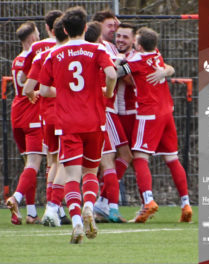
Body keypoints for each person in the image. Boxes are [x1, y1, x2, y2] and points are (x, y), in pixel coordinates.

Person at [39, 6, 117, 243]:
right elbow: (112, 74)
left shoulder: (54, 54)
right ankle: (89, 208)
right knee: (91, 171)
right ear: (85, 27)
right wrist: (107, 93)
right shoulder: (97, 49)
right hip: (94, 121)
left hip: (68, 123)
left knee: (71, 175)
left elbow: (42, 89)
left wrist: (63, 93)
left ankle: (76, 223)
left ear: (63, 29)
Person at [118, 27, 192, 223]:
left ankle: (148, 202)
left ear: (139, 45)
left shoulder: (136, 60)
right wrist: (165, 71)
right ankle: (186, 204)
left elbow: (117, 72)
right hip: (167, 111)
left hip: (148, 114)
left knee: (140, 157)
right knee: (172, 158)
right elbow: (169, 68)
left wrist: (113, 61)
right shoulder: (156, 55)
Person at [23, 16, 71, 227]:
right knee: (64, 163)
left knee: (52, 162)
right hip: (65, 114)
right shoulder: (68, 54)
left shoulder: (41, 54)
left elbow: (27, 88)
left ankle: (54, 210)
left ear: (48, 29)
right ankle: (53, 206)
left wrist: (33, 95)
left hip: (45, 116)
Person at [84, 21, 127, 224]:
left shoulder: (77, 54)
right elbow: (116, 71)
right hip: (104, 111)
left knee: (77, 166)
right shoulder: (102, 52)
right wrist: (120, 63)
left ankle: (89, 206)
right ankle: (111, 207)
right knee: (107, 162)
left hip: (82, 113)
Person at [6, 21, 44, 225]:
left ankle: (31, 213)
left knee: (28, 166)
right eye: (38, 35)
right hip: (32, 112)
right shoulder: (35, 58)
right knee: (34, 164)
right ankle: (16, 198)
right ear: (32, 39)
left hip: (17, 112)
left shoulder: (16, 59)